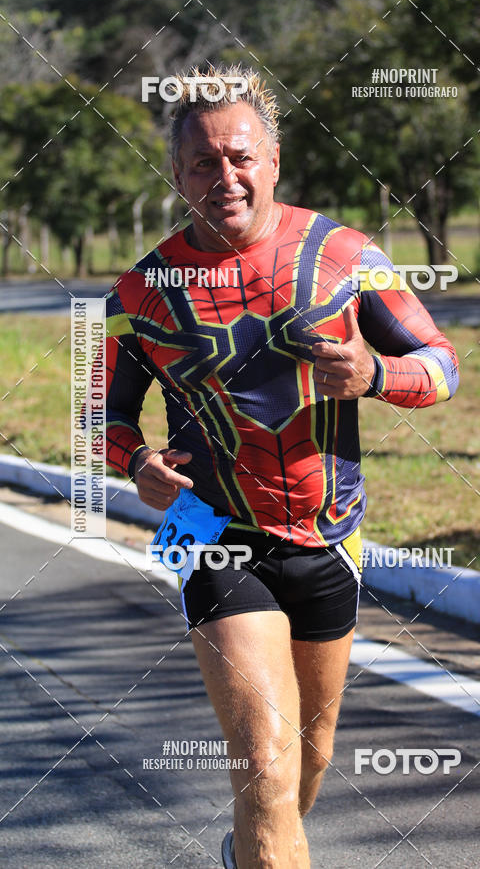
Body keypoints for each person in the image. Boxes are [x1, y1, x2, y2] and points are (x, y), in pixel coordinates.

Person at [104, 64, 459, 868]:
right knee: (264, 761)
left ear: (272, 162)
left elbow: (443, 366)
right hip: (218, 538)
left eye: (241, 158)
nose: (224, 177)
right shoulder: (140, 292)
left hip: (329, 536)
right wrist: (138, 464)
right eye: (204, 162)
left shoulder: (346, 256)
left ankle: (252, 849)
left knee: (308, 756)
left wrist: (378, 376)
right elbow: (106, 415)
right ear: (176, 172)